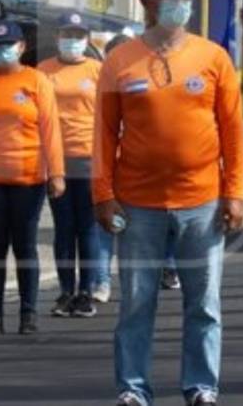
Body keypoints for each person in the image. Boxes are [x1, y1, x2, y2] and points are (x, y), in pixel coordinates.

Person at [94, 0, 243, 406]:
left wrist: (235, 193)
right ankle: (132, 388)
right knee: (137, 304)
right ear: (147, 1)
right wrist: (103, 194)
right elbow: (103, 133)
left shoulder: (213, 57)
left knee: (204, 305)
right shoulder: (120, 60)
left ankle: (201, 385)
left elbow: (234, 131)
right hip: (138, 204)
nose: (180, 3)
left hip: (201, 202)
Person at [0, 19, 65, 336]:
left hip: (28, 178)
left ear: (21, 47)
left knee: (25, 246)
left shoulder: (36, 81)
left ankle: (28, 313)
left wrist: (56, 173)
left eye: (8, 45)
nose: (3, 51)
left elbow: (51, 129)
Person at [38, 12, 103, 318]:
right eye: (67, 35)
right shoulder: (43, 72)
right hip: (56, 159)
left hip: (90, 158)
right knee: (64, 227)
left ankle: (86, 291)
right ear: (57, 37)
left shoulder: (99, 71)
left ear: (87, 40)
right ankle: (65, 291)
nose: (72, 41)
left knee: (88, 228)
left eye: (78, 36)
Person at [90, 32, 134, 304]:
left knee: (139, 232)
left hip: (136, 172)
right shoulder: (100, 84)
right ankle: (102, 281)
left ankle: (163, 269)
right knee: (105, 228)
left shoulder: (141, 84)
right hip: (106, 169)